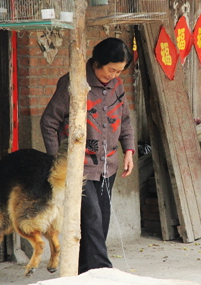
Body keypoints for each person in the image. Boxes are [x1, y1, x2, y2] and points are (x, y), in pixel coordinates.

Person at [40, 37, 135, 274]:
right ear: (96, 63)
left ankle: (85, 272)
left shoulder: (117, 86)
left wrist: (129, 151)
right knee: (91, 218)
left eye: (119, 71)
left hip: (108, 165)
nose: (114, 75)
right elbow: (49, 121)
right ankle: (103, 271)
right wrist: (58, 162)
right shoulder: (73, 83)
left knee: (100, 222)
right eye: (111, 69)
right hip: (78, 167)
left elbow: (124, 120)